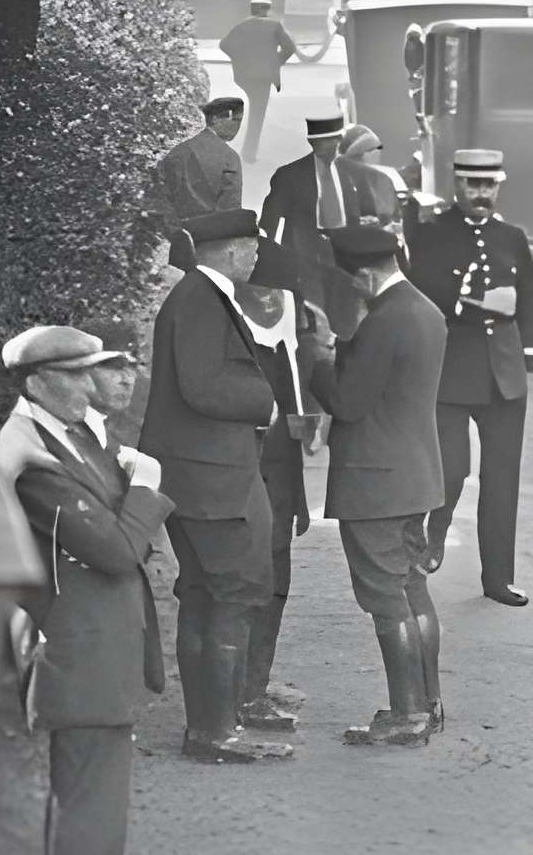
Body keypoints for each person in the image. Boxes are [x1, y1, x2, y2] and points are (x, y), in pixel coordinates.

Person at [0, 325, 171, 855]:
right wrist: (145, 485)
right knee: (88, 811)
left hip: (100, 646)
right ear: (38, 383)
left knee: (91, 805)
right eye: (76, 375)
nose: (91, 386)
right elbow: (116, 550)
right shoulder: (36, 456)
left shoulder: (73, 435)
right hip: (79, 651)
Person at [136, 210, 291, 764]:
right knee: (229, 595)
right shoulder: (203, 299)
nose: (255, 257)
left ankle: (207, 727)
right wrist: (267, 399)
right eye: (251, 249)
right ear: (233, 251)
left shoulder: (196, 296)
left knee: (205, 598)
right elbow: (203, 386)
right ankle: (217, 732)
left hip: (199, 474)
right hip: (212, 478)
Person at [314, 220, 448, 746]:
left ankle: (405, 717)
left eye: (353, 282)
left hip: (376, 483)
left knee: (385, 598)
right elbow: (386, 373)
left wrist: (318, 357)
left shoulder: (384, 320)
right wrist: (347, 347)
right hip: (414, 477)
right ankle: (428, 704)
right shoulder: (422, 310)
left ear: (366, 276)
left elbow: (348, 401)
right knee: (411, 588)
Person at [411, 145, 533, 607]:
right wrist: (472, 301)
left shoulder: (513, 237)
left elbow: (526, 299)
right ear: (456, 184)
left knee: (503, 480)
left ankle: (498, 578)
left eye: (489, 185)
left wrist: (531, 353)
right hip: (450, 369)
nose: (481, 194)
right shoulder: (429, 235)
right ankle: (436, 531)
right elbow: (423, 295)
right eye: (472, 184)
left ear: (498, 186)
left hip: (503, 374)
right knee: (450, 470)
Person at [232, 267, 337, 735]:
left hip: (280, 484)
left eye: (279, 294)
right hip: (247, 489)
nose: (273, 303)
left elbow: (297, 414)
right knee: (251, 591)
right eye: (263, 294)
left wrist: (296, 499)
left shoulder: (290, 343)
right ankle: (242, 695)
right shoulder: (236, 345)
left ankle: (255, 683)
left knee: (276, 586)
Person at [261, 112, 362, 322]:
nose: (327, 146)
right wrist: (268, 261)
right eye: (319, 142)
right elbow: (269, 221)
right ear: (310, 142)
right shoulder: (289, 175)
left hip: (342, 252)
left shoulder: (350, 172)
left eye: (332, 141)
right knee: (311, 307)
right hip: (303, 253)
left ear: (339, 140)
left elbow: (356, 212)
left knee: (343, 307)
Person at [145, 95, 249, 262]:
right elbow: (230, 210)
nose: (238, 127)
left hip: (181, 249)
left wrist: (177, 234)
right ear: (215, 119)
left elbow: (159, 200)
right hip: (214, 251)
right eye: (235, 120)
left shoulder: (175, 154)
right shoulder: (230, 158)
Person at [221, 0, 297, 160]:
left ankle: (240, 148)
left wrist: (240, 59)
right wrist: (275, 62)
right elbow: (290, 48)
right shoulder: (275, 26)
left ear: (252, 9)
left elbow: (224, 45)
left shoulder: (241, 26)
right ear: (267, 10)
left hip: (244, 76)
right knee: (257, 113)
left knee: (252, 108)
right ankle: (249, 153)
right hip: (263, 76)